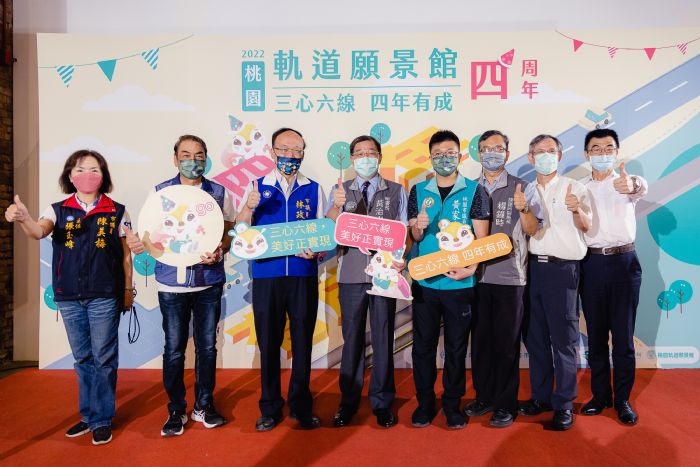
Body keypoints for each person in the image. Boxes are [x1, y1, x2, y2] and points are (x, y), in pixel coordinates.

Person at [6, 149, 133, 445]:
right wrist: (24, 218)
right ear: (69, 176)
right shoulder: (57, 210)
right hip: (68, 295)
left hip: (104, 294)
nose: (87, 175)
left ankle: (102, 419)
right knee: (83, 358)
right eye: (80, 169)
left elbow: (127, 256)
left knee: (104, 358)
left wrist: (128, 290)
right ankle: (88, 416)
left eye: (94, 169)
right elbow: (38, 232)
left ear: (103, 175)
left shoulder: (117, 211)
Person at [125, 135, 235, 437]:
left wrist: (221, 249)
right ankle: (176, 409)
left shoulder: (218, 193)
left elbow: (229, 231)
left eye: (199, 155)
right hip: (171, 283)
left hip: (208, 281)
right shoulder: (160, 193)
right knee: (174, 349)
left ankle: (204, 405)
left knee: (207, 348)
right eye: (185, 155)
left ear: (206, 159)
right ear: (175, 159)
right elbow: (148, 234)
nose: (192, 160)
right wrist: (139, 243)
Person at [237, 127, 326, 431]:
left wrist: (317, 251)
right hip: (267, 276)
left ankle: (301, 406)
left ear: (303, 153)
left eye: (297, 150)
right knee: (269, 341)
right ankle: (270, 407)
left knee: (302, 342)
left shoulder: (313, 189)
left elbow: (322, 233)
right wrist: (248, 208)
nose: (291, 155)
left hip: (302, 275)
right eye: (285, 149)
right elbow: (240, 232)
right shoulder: (256, 186)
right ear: (272, 152)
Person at [407, 130, 490, 429]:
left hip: (460, 283)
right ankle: (425, 403)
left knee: (456, 348)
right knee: (423, 347)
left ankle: (452, 405)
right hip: (426, 283)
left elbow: (482, 238)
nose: (444, 159)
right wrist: (418, 226)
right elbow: (415, 237)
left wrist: (472, 268)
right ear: (430, 157)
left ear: (460, 156)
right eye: (438, 154)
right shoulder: (418, 191)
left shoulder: (476, 191)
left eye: (450, 153)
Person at [325, 135, 408, 428]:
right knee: (352, 340)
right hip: (350, 275)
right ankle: (348, 402)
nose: (365, 158)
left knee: (383, 337)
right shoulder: (340, 190)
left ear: (380, 157)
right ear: (351, 159)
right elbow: (328, 233)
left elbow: (402, 232)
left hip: (384, 276)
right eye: (359, 153)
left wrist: (400, 258)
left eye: (371, 152)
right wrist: (335, 208)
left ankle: (382, 402)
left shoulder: (396, 190)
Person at [466, 130, 542, 428]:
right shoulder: (469, 188)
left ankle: (505, 404)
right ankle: (484, 397)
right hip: (475, 277)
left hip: (511, 278)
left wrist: (524, 209)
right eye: (486, 148)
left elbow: (533, 229)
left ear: (507, 154)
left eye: (498, 148)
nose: (491, 153)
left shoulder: (522, 187)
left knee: (506, 344)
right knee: (480, 343)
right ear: (478, 153)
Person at [518, 134, 592, 431]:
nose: (546, 156)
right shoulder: (526, 190)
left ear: (559, 156)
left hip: (563, 270)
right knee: (535, 339)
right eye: (540, 151)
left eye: (551, 151)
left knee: (563, 341)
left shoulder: (575, 188)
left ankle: (563, 404)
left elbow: (586, 225)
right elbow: (528, 230)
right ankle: (541, 397)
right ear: (530, 158)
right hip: (532, 269)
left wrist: (576, 209)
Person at [580, 128, 646, 425]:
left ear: (617, 152)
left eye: (608, 148)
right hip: (591, 264)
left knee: (623, 337)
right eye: (596, 148)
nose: (602, 153)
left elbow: (639, 187)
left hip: (624, 263)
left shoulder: (626, 183)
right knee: (595, 337)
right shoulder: (580, 188)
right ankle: (600, 396)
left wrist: (631, 183)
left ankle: (622, 400)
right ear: (587, 154)